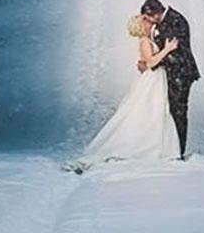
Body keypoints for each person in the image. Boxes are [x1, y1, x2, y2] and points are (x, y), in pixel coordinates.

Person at [67, 13, 180, 171]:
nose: (149, 22)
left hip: (156, 79)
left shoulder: (149, 40)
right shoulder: (145, 41)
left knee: (155, 110)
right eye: (145, 21)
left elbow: (145, 62)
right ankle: (147, 146)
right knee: (148, 110)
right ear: (141, 26)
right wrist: (167, 49)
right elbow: (151, 62)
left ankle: (156, 145)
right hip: (152, 79)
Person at [139, 0, 200, 159]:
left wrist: (150, 64)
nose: (148, 22)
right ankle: (170, 148)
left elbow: (174, 53)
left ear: (155, 13)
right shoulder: (163, 22)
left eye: (148, 18)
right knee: (170, 110)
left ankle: (178, 151)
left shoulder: (176, 21)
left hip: (181, 73)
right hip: (171, 72)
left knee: (178, 110)